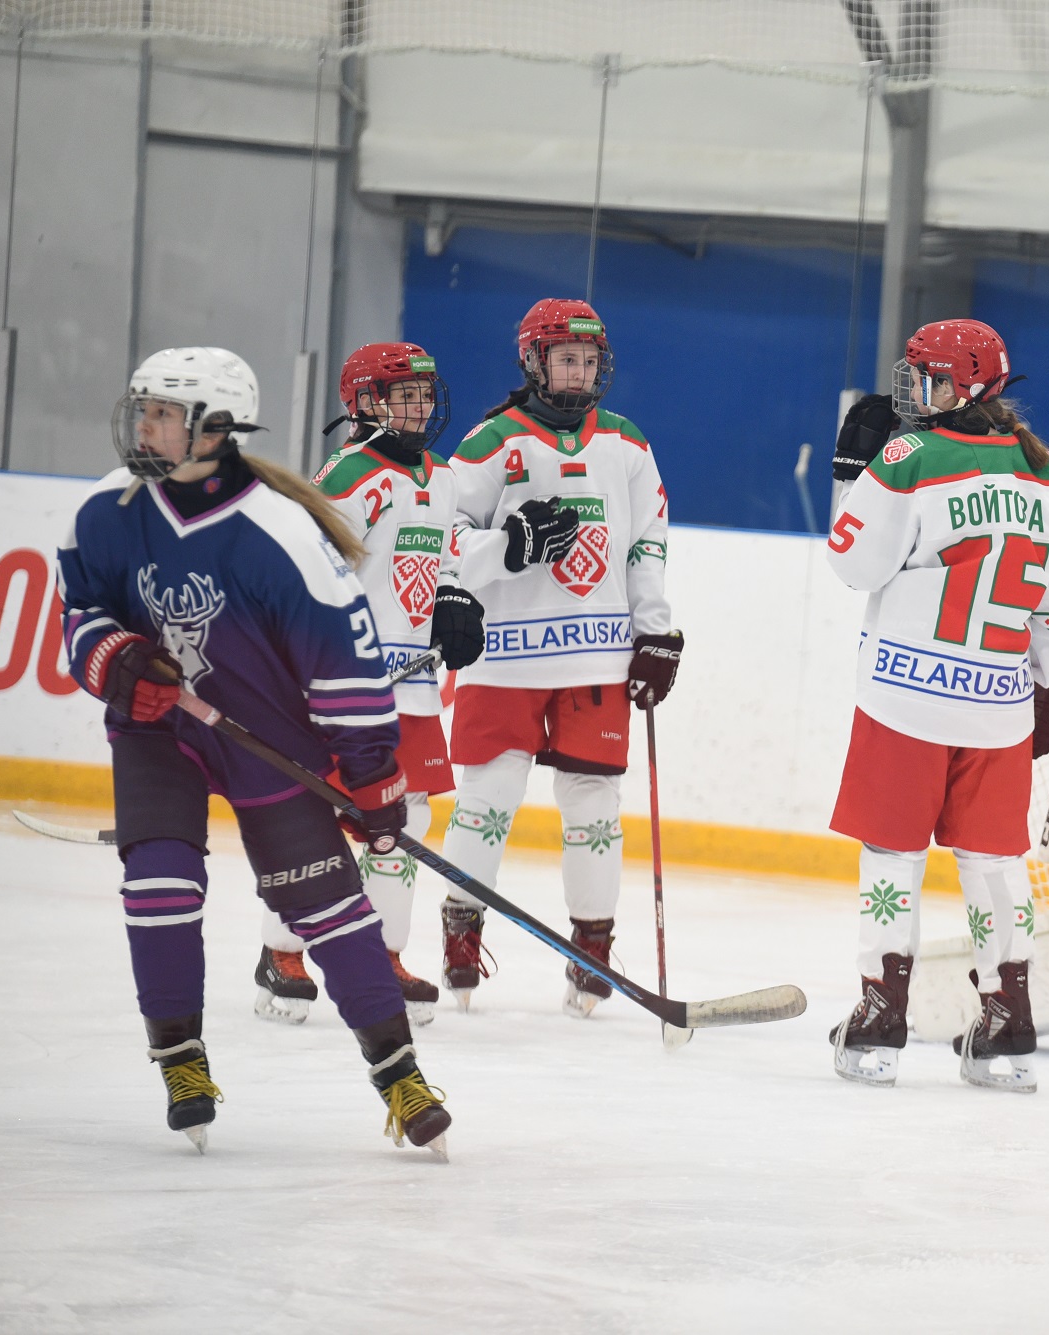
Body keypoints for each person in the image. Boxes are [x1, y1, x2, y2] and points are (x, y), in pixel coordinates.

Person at [57, 346, 449, 1155]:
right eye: (144, 408)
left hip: (268, 742)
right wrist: (115, 661)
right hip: (159, 733)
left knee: (330, 905)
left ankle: (399, 1072)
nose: (144, 425)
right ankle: (181, 1060)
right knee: (159, 883)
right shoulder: (107, 508)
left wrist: (373, 777)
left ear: (213, 429)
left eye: (163, 413)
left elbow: (346, 667)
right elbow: (81, 611)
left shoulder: (280, 532)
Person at [824, 318, 1049, 1093]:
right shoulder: (1048, 471)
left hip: (905, 699)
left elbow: (852, 563)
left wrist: (852, 473)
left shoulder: (910, 457)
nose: (912, 388)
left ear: (954, 385)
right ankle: (1008, 1024)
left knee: (892, 858)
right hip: (999, 706)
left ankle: (880, 1018)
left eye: (923, 375)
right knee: (996, 867)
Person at [439, 298, 681, 1017]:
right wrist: (507, 546)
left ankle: (593, 948)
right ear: (534, 362)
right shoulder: (490, 443)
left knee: (595, 808)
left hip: (597, 658)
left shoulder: (628, 443)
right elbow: (445, 537)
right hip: (503, 657)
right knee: (487, 800)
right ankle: (461, 932)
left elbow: (647, 541)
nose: (578, 372)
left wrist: (655, 630)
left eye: (588, 359)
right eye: (565, 359)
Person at [250, 343, 485, 1027]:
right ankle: (281, 951)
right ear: (363, 403)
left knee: (405, 821)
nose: (418, 407)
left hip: (412, 687)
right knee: (319, 817)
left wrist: (453, 600)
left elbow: (442, 562)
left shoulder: (440, 477)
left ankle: (384, 955)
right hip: (342, 684)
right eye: (402, 396)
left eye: (423, 395)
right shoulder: (350, 476)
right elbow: (307, 573)